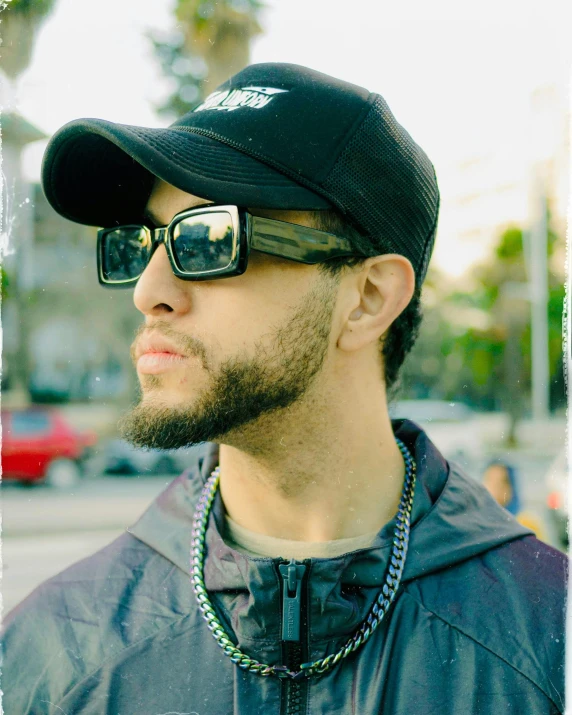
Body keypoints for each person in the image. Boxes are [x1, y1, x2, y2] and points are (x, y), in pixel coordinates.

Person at [3, 63, 565, 714]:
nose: (148, 291)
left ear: (368, 298)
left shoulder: (544, 645)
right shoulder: (54, 653)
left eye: (207, 237)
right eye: (143, 243)